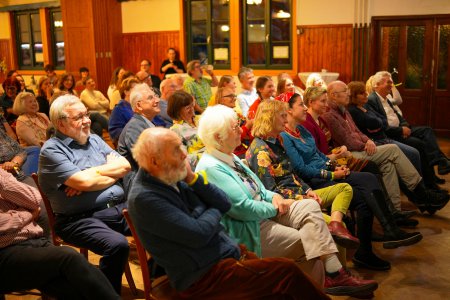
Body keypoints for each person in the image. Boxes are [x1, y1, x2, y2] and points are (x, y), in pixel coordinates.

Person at [128, 127, 331, 299]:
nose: (184, 155)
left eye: (182, 146)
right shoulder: (145, 197)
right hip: (203, 277)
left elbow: (223, 202)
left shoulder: (172, 174)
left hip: (226, 256)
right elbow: (198, 233)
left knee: (283, 282)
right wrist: (210, 208)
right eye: (175, 150)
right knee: (286, 272)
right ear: (154, 161)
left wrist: (193, 179)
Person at [196, 105, 379, 297]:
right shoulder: (211, 168)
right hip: (251, 227)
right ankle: (331, 278)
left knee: (310, 207)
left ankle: (333, 275)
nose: (241, 130)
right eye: (235, 127)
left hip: (267, 211)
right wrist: (275, 206)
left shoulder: (229, 156)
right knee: (311, 245)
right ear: (218, 137)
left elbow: (260, 187)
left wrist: (274, 198)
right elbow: (243, 209)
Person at [281, 93, 422, 268]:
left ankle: (366, 251)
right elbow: (301, 169)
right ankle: (389, 230)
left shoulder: (302, 130)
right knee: (369, 178)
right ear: (288, 110)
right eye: (301, 105)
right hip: (314, 181)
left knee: (364, 196)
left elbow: (319, 156)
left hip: (326, 172)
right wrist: (332, 174)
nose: (304, 108)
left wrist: (334, 167)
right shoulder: (285, 136)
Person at [39, 95, 132, 294]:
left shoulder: (95, 139)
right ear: (60, 124)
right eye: (79, 117)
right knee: (117, 245)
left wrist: (89, 175)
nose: (87, 120)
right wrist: (107, 171)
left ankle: (159, 274)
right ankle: (105, 295)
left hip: (117, 208)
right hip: (77, 219)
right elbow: (84, 182)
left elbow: (124, 166)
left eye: (86, 114)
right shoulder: (51, 150)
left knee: (156, 216)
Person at [322, 81, 449, 214]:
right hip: (349, 154)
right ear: (334, 95)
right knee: (393, 149)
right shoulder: (330, 115)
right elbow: (347, 142)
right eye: (345, 90)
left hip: (362, 147)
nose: (348, 93)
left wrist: (368, 141)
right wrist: (366, 144)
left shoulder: (344, 110)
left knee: (388, 164)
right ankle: (421, 193)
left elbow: (359, 132)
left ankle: (394, 211)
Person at [0, 168, 120, 300]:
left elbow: (34, 200)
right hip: (5, 251)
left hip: (34, 241)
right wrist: (28, 214)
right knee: (68, 257)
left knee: (77, 291)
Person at [347, 81, 442, 192]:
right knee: (414, 151)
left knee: (423, 136)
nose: (365, 95)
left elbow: (383, 120)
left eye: (365, 92)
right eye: (361, 93)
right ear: (353, 96)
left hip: (384, 137)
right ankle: (420, 188)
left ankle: (428, 182)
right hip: (379, 140)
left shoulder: (364, 107)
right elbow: (376, 122)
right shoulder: (356, 109)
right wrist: (381, 123)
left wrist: (398, 125)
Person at [366, 71, 450, 176]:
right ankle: (433, 173)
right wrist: (401, 130)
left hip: (400, 128)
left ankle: (439, 164)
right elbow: (381, 126)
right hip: (391, 134)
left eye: (392, 82)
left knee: (427, 130)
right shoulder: (372, 100)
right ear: (377, 85)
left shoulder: (385, 98)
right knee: (420, 144)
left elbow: (398, 116)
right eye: (388, 82)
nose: (391, 85)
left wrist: (404, 125)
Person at [117, 83, 160, 191]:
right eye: (151, 98)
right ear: (139, 106)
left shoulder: (147, 123)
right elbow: (148, 162)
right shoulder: (134, 128)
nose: (157, 100)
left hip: (153, 179)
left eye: (155, 96)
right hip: (140, 186)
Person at [211, 87, 253, 158]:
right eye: (230, 96)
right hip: (232, 153)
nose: (234, 98)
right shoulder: (220, 118)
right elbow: (230, 139)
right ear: (221, 99)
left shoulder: (236, 114)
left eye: (234, 95)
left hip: (245, 149)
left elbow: (247, 136)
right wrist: (247, 126)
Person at [168, 90, 205, 168]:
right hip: (201, 165)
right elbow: (183, 158)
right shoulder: (176, 130)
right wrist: (205, 157)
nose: (192, 109)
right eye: (188, 108)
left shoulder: (201, 119)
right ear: (177, 111)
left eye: (192, 105)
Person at [108, 77, 139, 144]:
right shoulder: (118, 109)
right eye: (136, 89)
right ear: (126, 92)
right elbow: (114, 132)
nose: (139, 92)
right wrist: (135, 133)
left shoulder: (140, 107)